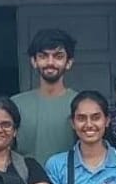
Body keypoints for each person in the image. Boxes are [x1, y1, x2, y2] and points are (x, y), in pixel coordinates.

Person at [12, 28, 78, 165]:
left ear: (69, 62)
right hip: (25, 177)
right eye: (43, 56)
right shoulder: (15, 105)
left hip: (69, 177)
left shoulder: (81, 104)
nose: (50, 62)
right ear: (33, 61)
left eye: (58, 56)